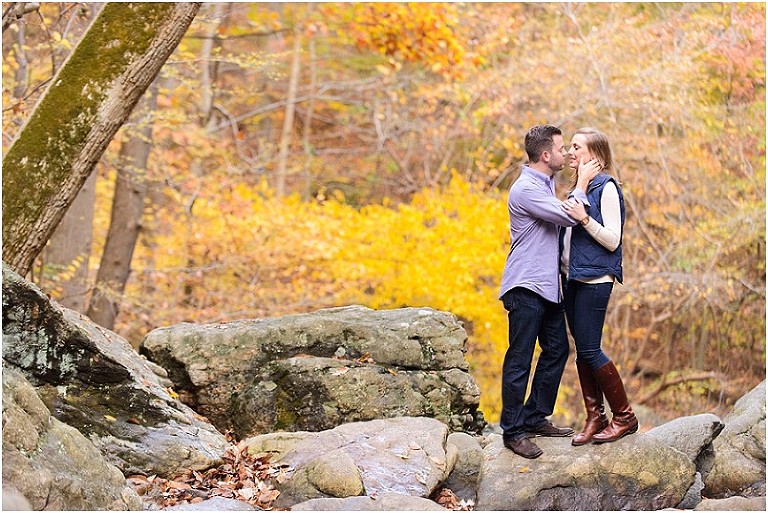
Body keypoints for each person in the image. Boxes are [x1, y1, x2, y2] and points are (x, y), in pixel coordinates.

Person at [499, 124, 600, 459]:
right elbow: (570, 216)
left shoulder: (544, 184)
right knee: (520, 359)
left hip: (549, 287)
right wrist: (583, 183)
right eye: (561, 149)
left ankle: (534, 416)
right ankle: (513, 431)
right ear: (545, 155)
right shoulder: (526, 189)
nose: (566, 154)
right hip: (526, 285)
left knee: (557, 350)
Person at [561, 127, 638, 445]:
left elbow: (612, 240)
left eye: (576, 147)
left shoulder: (606, 187)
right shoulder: (578, 188)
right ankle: (596, 416)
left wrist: (584, 219)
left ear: (595, 156)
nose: (570, 151)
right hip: (573, 279)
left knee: (591, 349)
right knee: (582, 352)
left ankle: (624, 416)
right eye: (570, 146)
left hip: (595, 280)